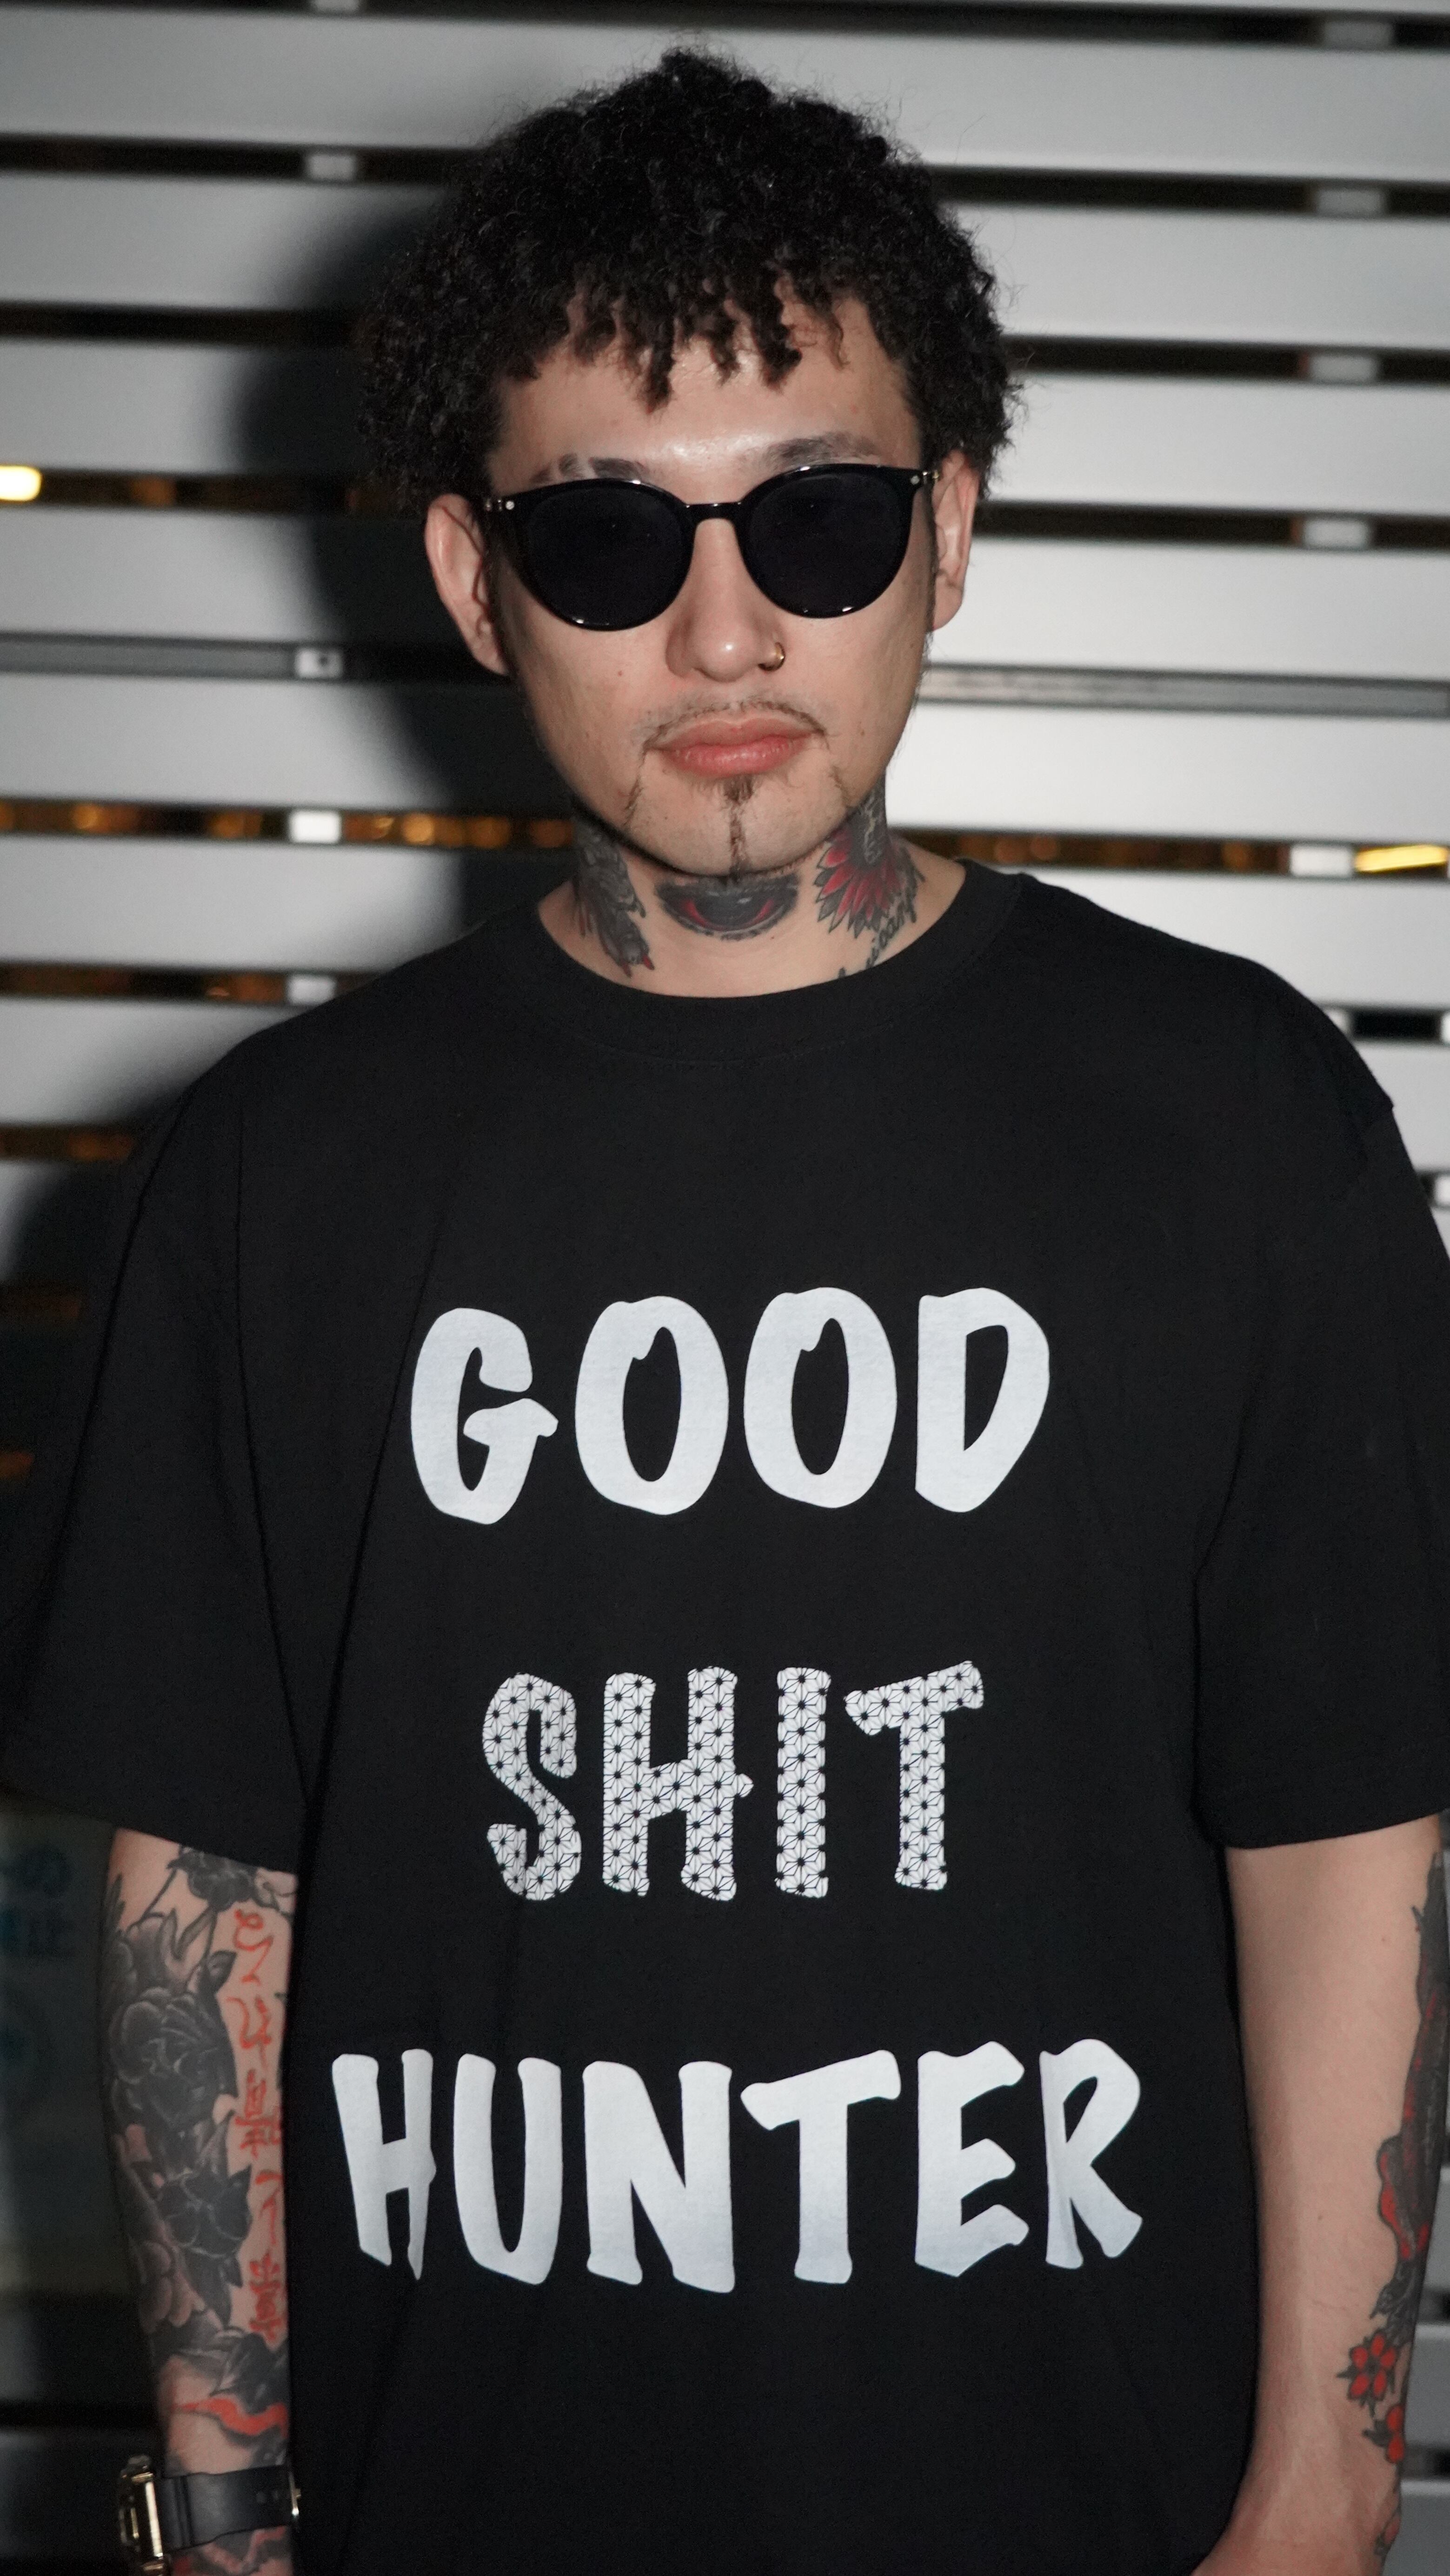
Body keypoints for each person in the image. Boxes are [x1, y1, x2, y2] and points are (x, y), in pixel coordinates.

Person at [1, 46, 1447, 2576]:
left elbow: (1347, 1830)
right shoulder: (275, 1176)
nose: (727, 622)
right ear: (472, 581)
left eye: (823, 514)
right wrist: (225, 2517)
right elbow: (202, 1885)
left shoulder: (1235, 1119)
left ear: (951, 531)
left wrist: (1322, 2499)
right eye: (603, 539)